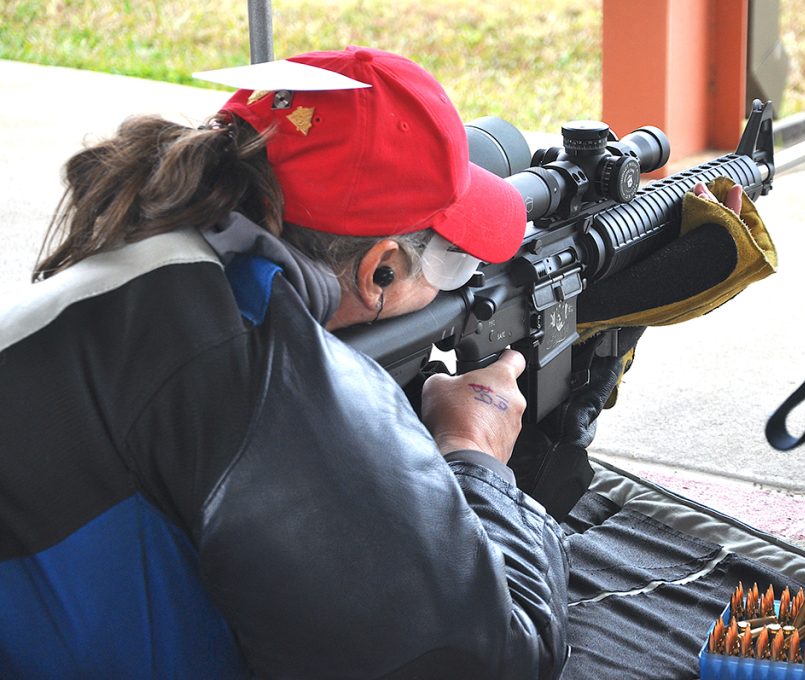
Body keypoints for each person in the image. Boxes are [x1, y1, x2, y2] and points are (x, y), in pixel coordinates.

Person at [0, 47, 569, 679]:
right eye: (451, 263)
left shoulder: (126, 272)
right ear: (382, 267)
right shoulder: (266, 369)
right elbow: (490, 663)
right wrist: (474, 451)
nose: (460, 281)